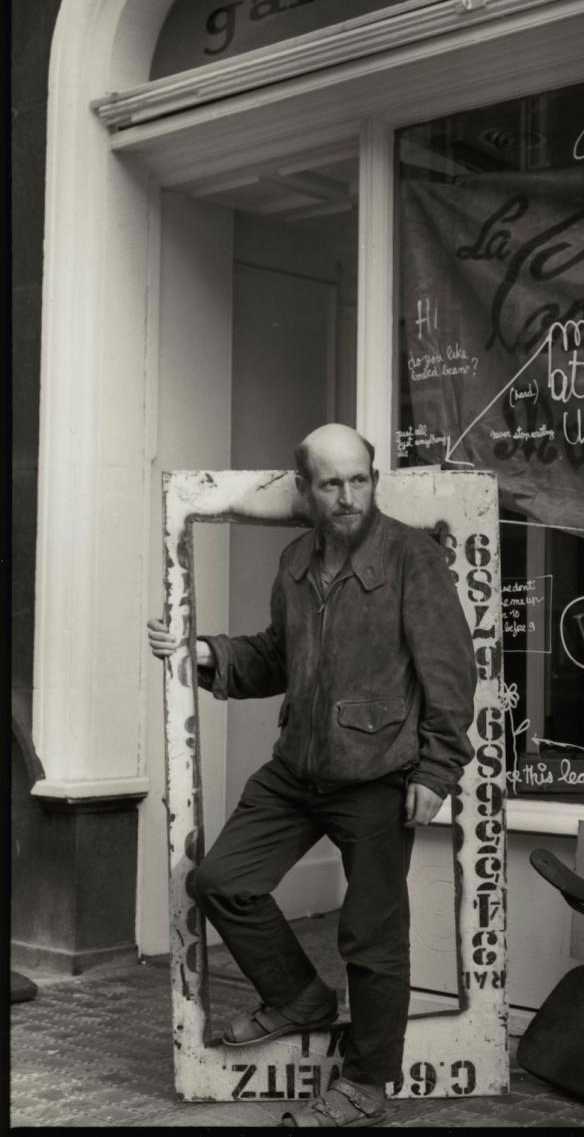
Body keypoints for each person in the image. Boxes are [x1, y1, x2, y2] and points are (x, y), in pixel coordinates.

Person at [147, 423, 475, 1128]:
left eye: (360, 479)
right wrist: (202, 650)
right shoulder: (296, 562)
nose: (349, 495)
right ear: (306, 490)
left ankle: (365, 1087)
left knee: (371, 935)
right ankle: (299, 997)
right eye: (332, 482)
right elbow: (275, 658)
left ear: (374, 481)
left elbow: (450, 675)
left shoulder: (413, 559)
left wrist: (437, 770)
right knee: (220, 880)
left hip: (381, 773)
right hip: (299, 768)